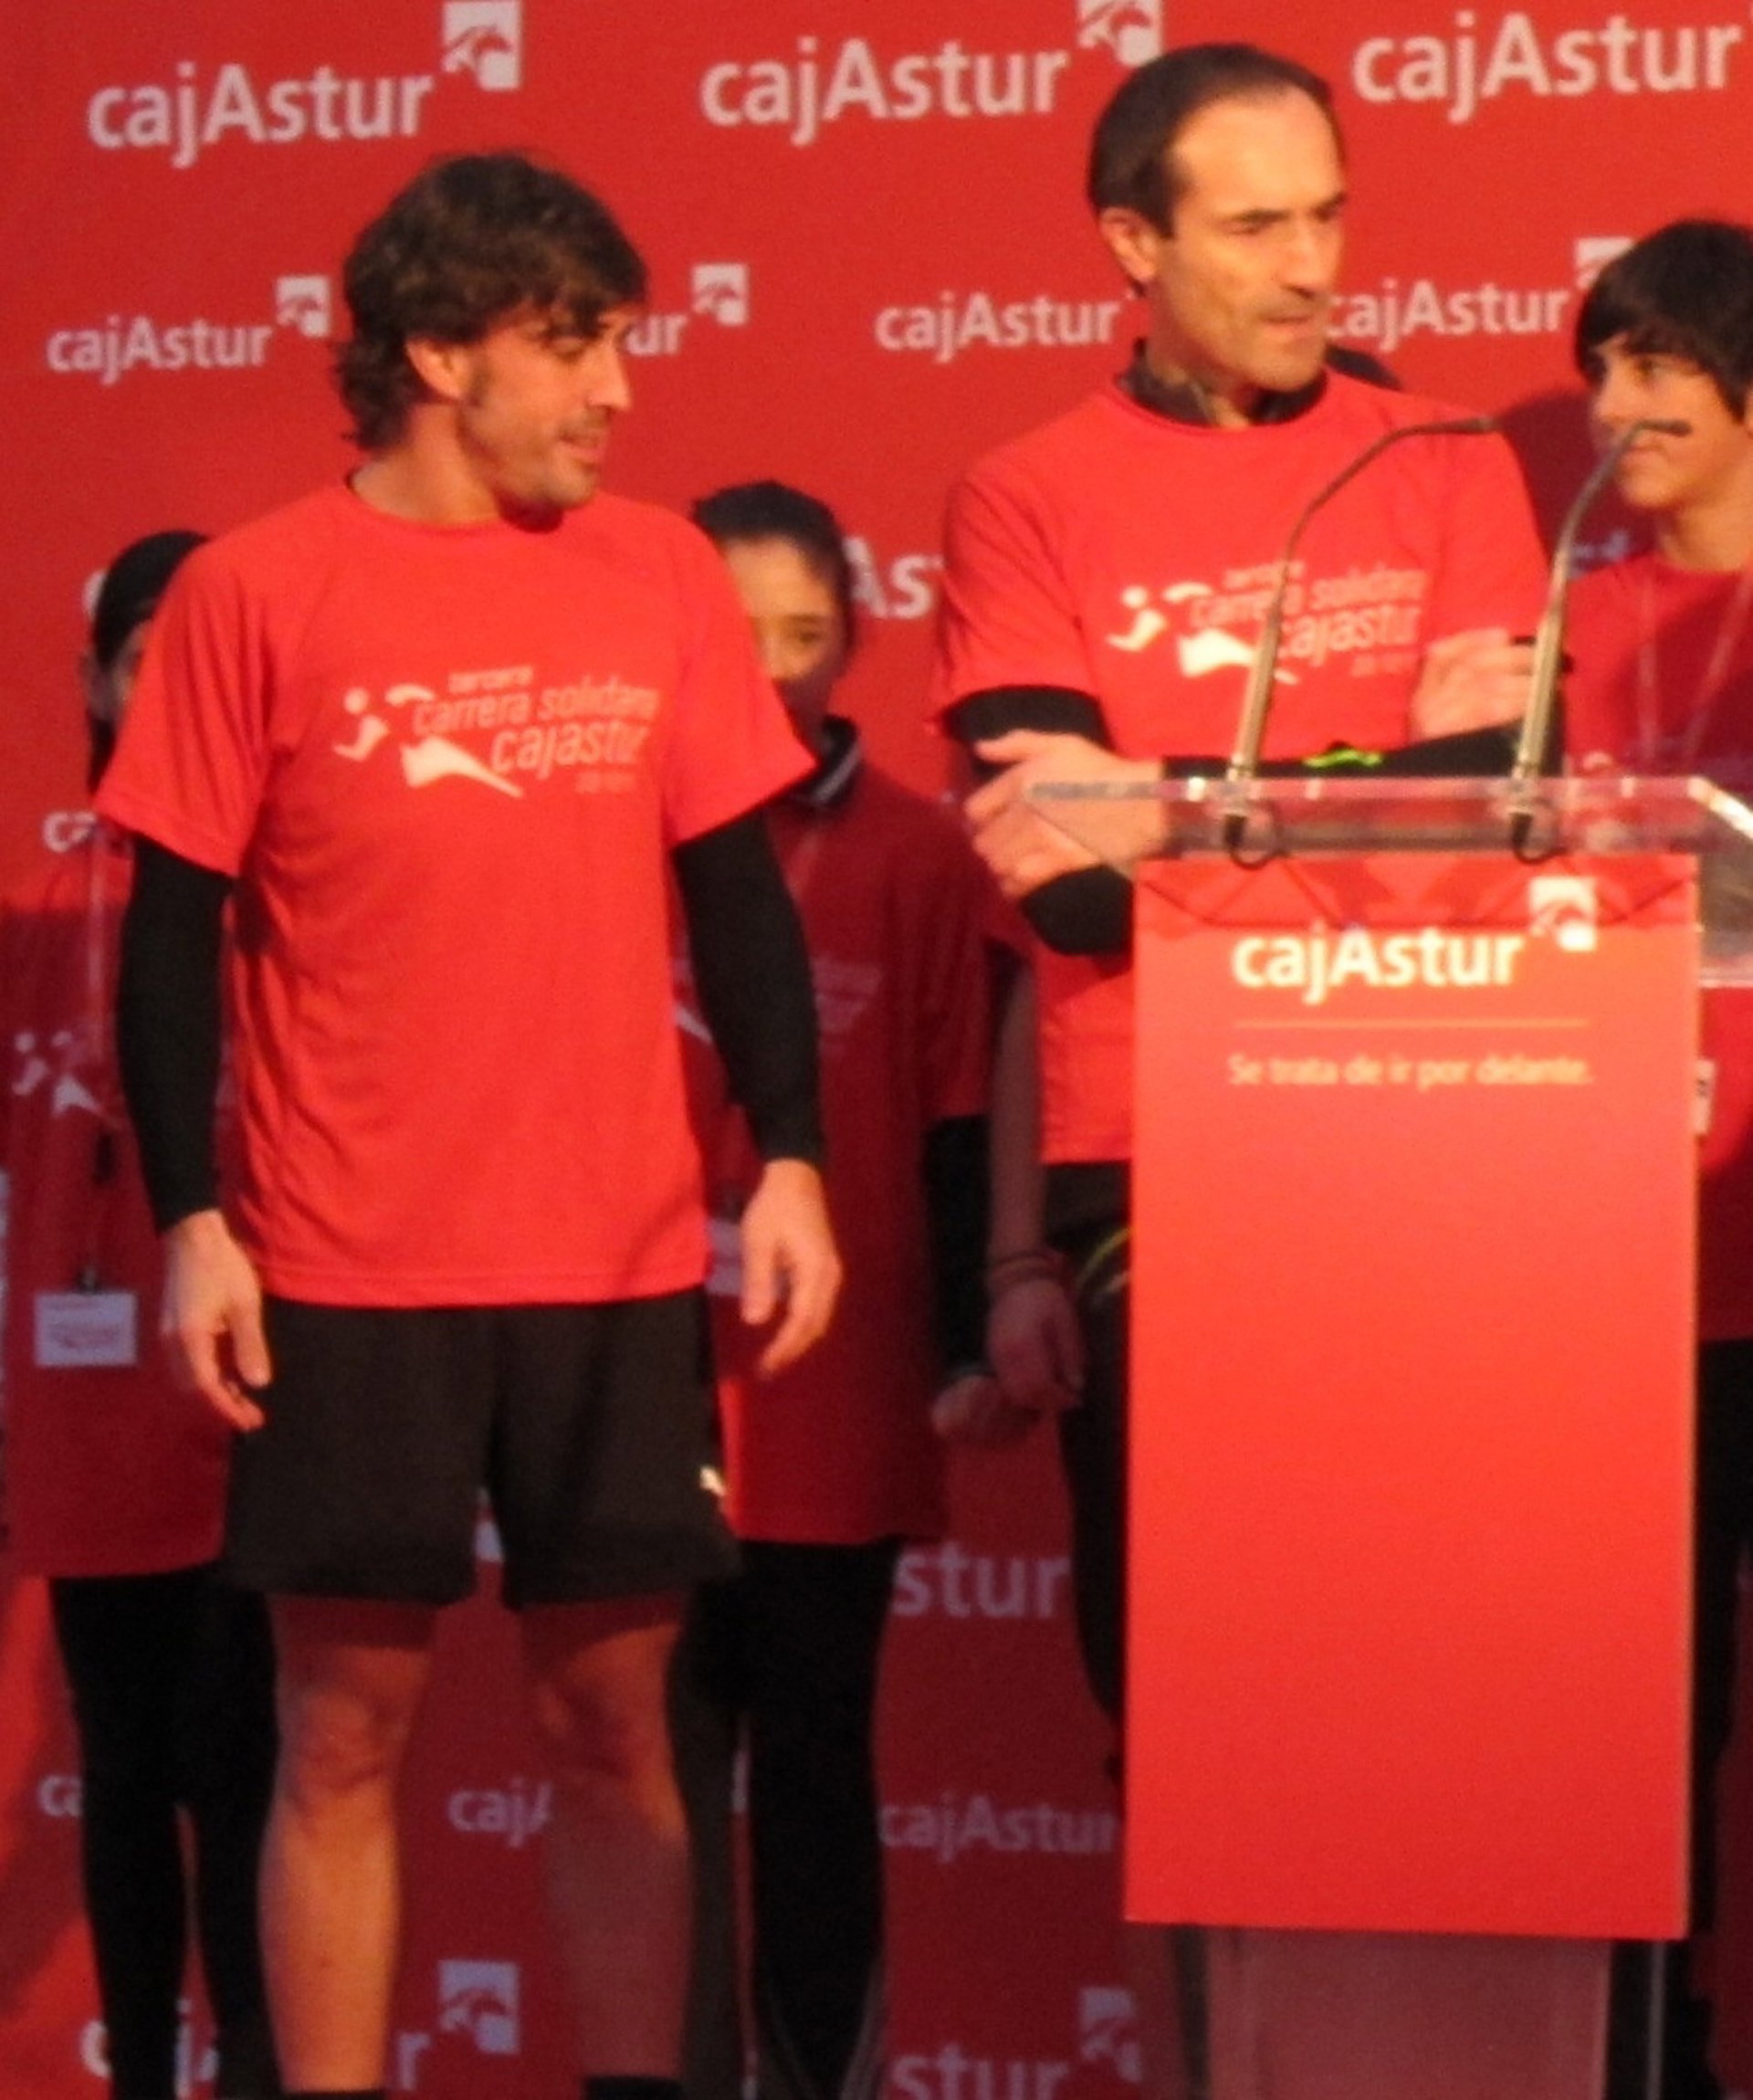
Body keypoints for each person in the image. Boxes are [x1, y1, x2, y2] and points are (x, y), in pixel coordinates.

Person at [96, 153, 839, 2100]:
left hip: (612, 1254)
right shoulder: (254, 590)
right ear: (440, 354)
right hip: (347, 1260)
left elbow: (739, 896)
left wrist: (794, 1155)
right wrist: (190, 1217)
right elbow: (170, 935)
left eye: (619, 344)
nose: (616, 389)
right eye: (572, 344)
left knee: (620, 1732)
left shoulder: (661, 570)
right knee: (341, 1737)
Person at [933, 37, 1548, 1738]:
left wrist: (1168, 804)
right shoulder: (1023, 498)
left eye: (1328, 216)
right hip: (1159, 1153)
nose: (1312, 267)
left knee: (1438, 1692)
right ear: (1135, 244)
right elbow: (1066, 896)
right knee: (1196, 1708)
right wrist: (1373, 786)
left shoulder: (1444, 456)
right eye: (1258, 226)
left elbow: (1492, 813)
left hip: (1438, 1111)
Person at [668, 479, 1003, 2100]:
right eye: (735, 636)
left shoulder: (921, 857)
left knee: (811, 1766)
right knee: (645, 1776)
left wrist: (965, 1340)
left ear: (854, 642)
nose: (773, 672)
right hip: (638, 1388)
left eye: (805, 635)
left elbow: (959, 1119)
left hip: (833, 1389)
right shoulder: (599, 838)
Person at [0, 530, 280, 2100]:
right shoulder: (34, 914)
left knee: (248, 1766)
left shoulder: (287, 906)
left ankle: (260, 2064)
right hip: (81, 1399)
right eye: (139, 655)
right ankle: (145, 2074)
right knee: (121, 1767)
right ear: (97, 683)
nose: (167, 686)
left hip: (251, 1390)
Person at [1566, 217, 1753, 2100]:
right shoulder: (1568, 627)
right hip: (1618, 1268)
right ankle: (1651, 2061)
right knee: (1644, 1722)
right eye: (1601, 370)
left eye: (1656, 364)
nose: (1616, 406)